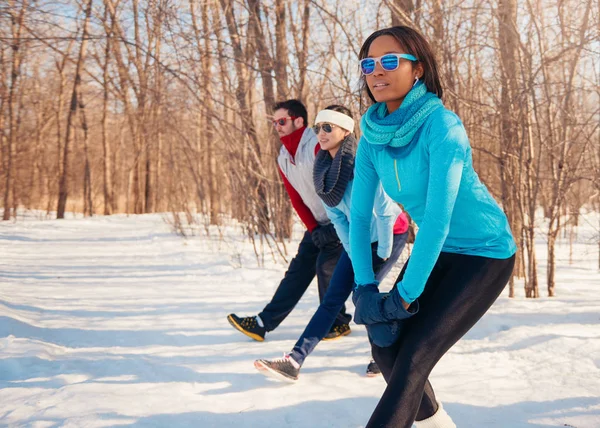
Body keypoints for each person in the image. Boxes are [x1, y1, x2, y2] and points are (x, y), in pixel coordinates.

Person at [349, 26, 517, 428]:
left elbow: (439, 221)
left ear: (418, 70)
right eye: (369, 64)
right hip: (439, 250)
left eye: (390, 61)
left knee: (412, 360)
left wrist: (404, 297)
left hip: (485, 253)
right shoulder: (373, 135)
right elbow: (359, 217)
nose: (377, 71)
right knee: (385, 348)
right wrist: (365, 287)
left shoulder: (443, 127)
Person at [254, 105, 410, 381]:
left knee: (365, 297)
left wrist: (383, 252)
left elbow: (385, 211)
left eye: (329, 127)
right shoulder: (323, 170)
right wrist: (351, 250)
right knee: (332, 299)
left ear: (346, 131)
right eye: (318, 128)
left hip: (389, 234)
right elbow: (336, 216)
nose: (321, 133)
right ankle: (294, 360)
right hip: (359, 237)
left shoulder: (363, 164)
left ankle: (387, 355)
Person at [227, 100, 352, 342]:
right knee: (297, 272)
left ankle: (338, 322)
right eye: (275, 123)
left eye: (282, 121)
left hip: (341, 220)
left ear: (299, 121)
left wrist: (336, 226)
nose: (277, 127)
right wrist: (314, 229)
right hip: (318, 224)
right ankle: (263, 323)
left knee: (326, 269)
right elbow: (296, 199)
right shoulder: (284, 156)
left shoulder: (318, 143)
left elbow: (340, 183)